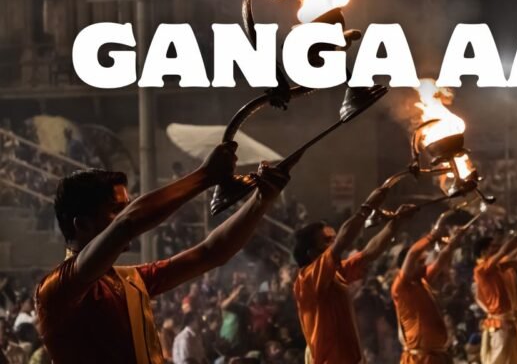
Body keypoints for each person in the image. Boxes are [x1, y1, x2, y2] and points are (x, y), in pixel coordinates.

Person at [35, 142, 289, 363]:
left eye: (126, 207)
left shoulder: (130, 281)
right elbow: (128, 224)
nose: (125, 214)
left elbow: (211, 253)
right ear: (83, 225)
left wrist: (261, 200)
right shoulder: (57, 289)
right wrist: (204, 176)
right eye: (116, 209)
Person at [292, 183, 417, 364]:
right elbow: (343, 240)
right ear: (312, 253)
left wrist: (396, 223)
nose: (334, 243)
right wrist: (367, 206)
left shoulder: (336, 272)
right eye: (328, 241)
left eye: (334, 239)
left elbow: (368, 253)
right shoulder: (307, 279)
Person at [392, 210, 470, 364]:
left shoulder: (422, 281)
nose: (424, 265)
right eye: (420, 263)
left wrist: (455, 240)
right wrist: (434, 232)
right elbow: (412, 254)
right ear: (405, 267)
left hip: (437, 357)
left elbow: (441, 259)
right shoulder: (401, 287)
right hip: (419, 359)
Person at [473, 228, 517, 364]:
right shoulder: (481, 270)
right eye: (493, 246)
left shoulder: (497, 267)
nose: (497, 248)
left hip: (509, 321)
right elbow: (504, 252)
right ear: (484, 252)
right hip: (500, 323)